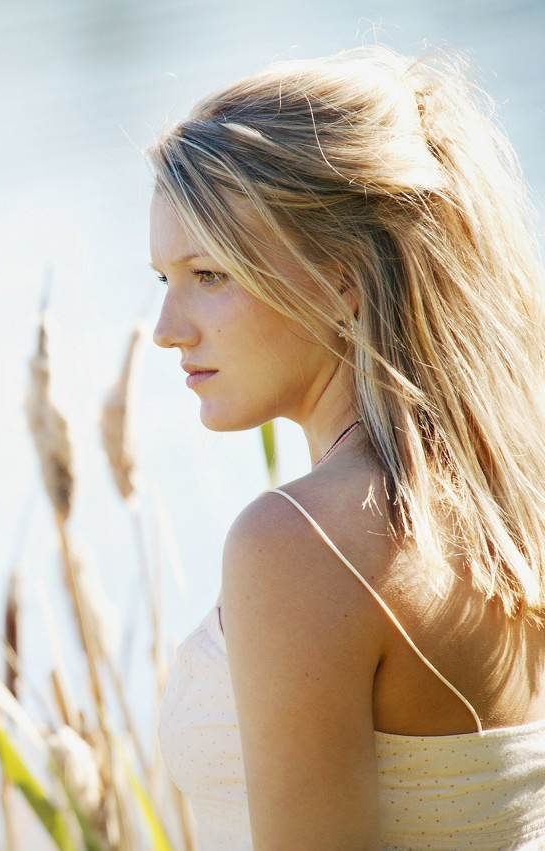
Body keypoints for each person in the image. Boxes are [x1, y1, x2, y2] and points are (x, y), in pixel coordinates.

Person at [150, 45, 545, 849]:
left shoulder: (300, 543)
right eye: (165, 280)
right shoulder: (506, 500)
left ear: (340, 277)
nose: (167, 330)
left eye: (209, 275)